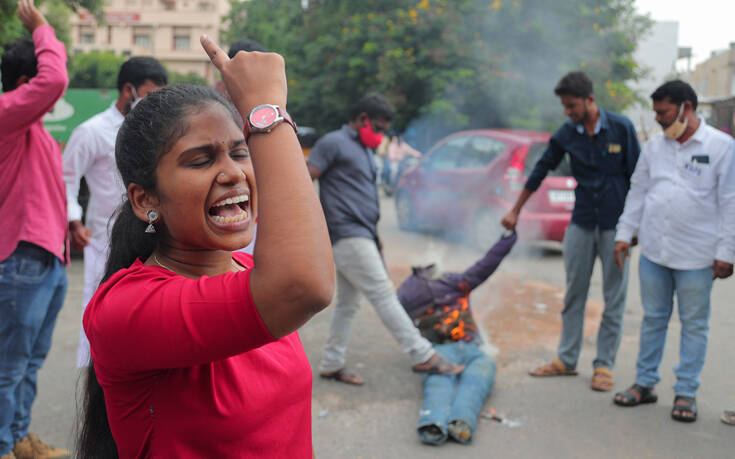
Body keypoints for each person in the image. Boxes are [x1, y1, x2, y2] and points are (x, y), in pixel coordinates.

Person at [76, 36, 335, 457]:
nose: (233, 173)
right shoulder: (124, 309)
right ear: (146, 200)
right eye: (200, 160)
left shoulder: (252, 272)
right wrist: (267, 111)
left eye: (240, 152)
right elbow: (305, 285)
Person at [307, 93, 464, 385]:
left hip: (362, 234)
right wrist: (313, 228)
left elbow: (365, 198)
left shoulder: (366, 151)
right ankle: (422, 355)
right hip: (346, 233)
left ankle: (331, 362)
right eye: (377, 127)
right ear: (361, 118)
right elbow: (306, 177)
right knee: (383, 294)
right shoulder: (333, 143)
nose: (380, 135)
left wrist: (376, 238)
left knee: (348, 304)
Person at [501, 71, 640, 391]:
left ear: (590, 100)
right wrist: (516, 210)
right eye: (564, 106)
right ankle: (566, 359)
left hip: (615, 228)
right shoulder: (567, 132)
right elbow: (541, 169)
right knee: (573, 294)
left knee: (613, 298)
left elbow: (639, 180)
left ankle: (604, 366)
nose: (567, 111)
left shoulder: (622, 128)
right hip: (579, 224)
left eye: (572, 105)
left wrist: (634, 227)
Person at [612, 80, 735, 423]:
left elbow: (730, 202)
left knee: (694, 325)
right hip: (654, 251)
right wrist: (625, 234)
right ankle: (645, 383)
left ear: (686, 108)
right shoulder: (654, 147)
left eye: (663, 112)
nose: (659, 120)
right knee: (653, 319)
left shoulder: (721, 147)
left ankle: (686, 392)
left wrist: (727, 251)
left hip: (697, 256)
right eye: (656, 113)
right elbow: (638, 192)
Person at [63, 56, 168, 368]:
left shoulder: (156, 132)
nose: (154, 103)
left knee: (145, 314)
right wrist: (74, 220)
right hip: (103, 241)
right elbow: (66, 178)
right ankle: (97, 382)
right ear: (128, 90)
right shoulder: (91, 132)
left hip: (150, 238)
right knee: (99, 313)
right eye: (149, 95)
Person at [0, 1, 71, 458]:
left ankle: (20, 437)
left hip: (48, 257)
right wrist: (43, 29)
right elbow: (55, 79)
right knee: (8, 366)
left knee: (28, 362)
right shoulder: (7, 114)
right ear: (27, 85)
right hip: (23, 256)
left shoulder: (34, 130)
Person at [397, 232, 516, 445]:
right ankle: (462, 421)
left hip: (437, 352)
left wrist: (417, 354)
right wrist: (507, 237)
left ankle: (433, 421)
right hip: (472, 349)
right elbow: (487, 264)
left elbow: (397, 320)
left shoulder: (406, 293)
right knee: (477, 380)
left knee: (439, 382)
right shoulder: (452, 281)